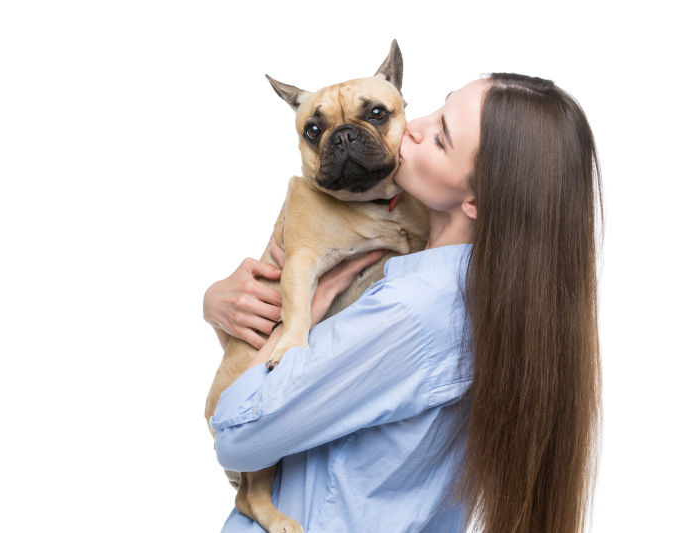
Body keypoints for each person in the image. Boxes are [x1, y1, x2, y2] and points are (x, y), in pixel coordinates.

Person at [203, 73, 602, 533]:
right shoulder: (472, 289)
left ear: (476, 198)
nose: (415, 127)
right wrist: (220, 307)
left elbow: (236, 434)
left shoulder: (412, 314)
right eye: (433, 110)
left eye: (440, 138)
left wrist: (311, 305)